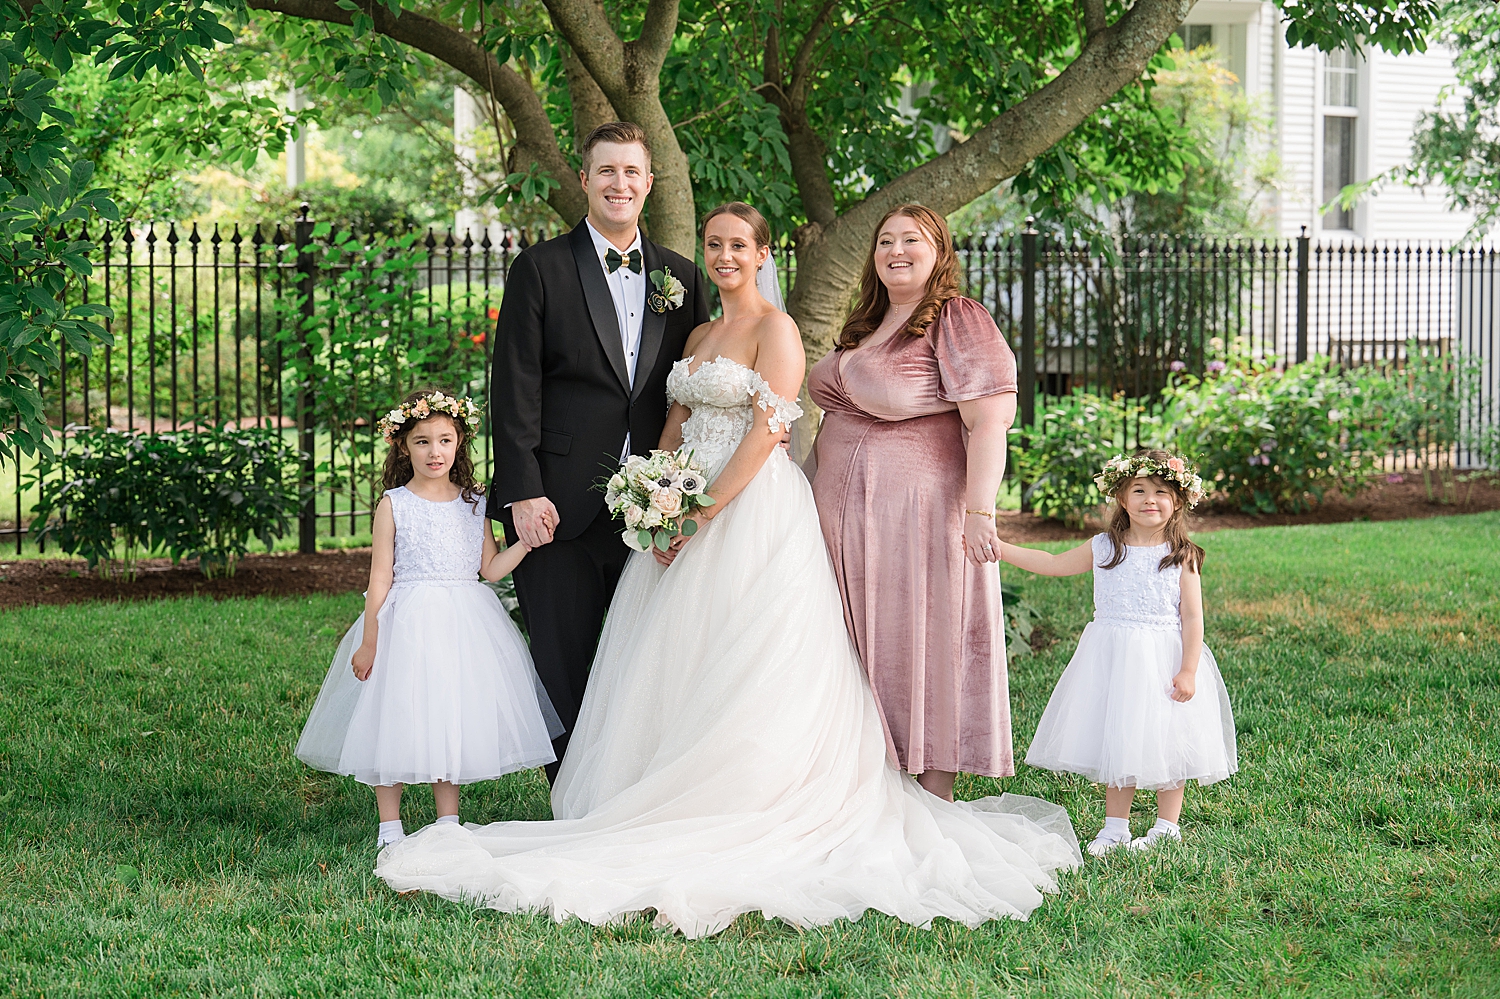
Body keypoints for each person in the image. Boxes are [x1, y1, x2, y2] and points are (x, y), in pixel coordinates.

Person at [373, 204, 1081, 938]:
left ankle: (759, 795)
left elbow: (771, 432)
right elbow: (674, 424)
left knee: (758, 655)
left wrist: (701, 511)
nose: (724, 255)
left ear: (764, 251)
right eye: (714, 244)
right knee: (678, 656)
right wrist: (656, 496)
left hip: (751, 511)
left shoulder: (778, 331)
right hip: (688, 506)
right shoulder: (703, 331)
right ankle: (662, 790)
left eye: (739, 244)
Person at [488, 122, 711, 781]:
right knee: (562, 661)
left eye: (631, 172)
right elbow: (515, 387)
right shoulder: (540, 269)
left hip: (652, 507)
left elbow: (692, 391)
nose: (619, 183)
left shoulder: (681, 276)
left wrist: (684, 495)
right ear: (584, 181)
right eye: (606, 171)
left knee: (644, 663)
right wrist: (522, 489)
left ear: (649, 183)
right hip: (555, 503)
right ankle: (569, 802)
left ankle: (628, 795)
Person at [807, 204, 1018, 802]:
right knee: (853, 639)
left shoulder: (956, 319)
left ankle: (933, 795)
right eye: (884, 241)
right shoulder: (866, 324)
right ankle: (866, 782)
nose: (895, 250)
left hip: (917, 517)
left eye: (912, 241)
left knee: (923, 637)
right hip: (841, 519)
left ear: (939, 252)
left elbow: (989, 421)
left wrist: (980, 512)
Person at [295, 389, 562, 847]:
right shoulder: (394, 503)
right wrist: (371, 640)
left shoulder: (474, 503)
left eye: (444, 440)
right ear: (403, 446)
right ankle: (389, 827)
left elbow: (489, 569)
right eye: (422, 441)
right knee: (393, 713)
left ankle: (447, 824)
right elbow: (380, 579)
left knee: (449, 713)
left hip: (462, 624)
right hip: (406, 622)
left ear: (459, 443)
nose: (434, 451)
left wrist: (527, 543)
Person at [995, 450, 1238, 856]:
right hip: (1114, 657)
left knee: (1168, 740)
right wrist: (1001, 548)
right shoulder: (1105, 547)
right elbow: (1053, 563)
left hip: (1165, 658)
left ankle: (1166, 826)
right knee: (1119, 737)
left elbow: (1193, 618)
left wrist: (1189, 670)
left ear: (1178, 501)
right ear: (1122, 500)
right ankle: (1115, 828)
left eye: (1161, 491)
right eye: (1138, 490)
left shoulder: (1183, 556)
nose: (1149, 499)